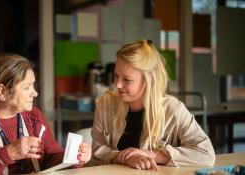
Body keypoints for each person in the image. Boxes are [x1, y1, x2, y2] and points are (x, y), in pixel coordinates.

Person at [0, 53, 91, 174]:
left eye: (33, 85)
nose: (35, 93)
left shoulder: (34, 116)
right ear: (2, 92)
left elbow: (50, 158)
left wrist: (72, 158)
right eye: (27, 87)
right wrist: (8, 153)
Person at [91, 39, 215, 170]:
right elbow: (97, 151)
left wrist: (153, 155)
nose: (117, 85)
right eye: (116, 76)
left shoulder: (173, 109)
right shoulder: (105, 103)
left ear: (148, 80)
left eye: (127, 79)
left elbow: (206, 154)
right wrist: (125, 157)